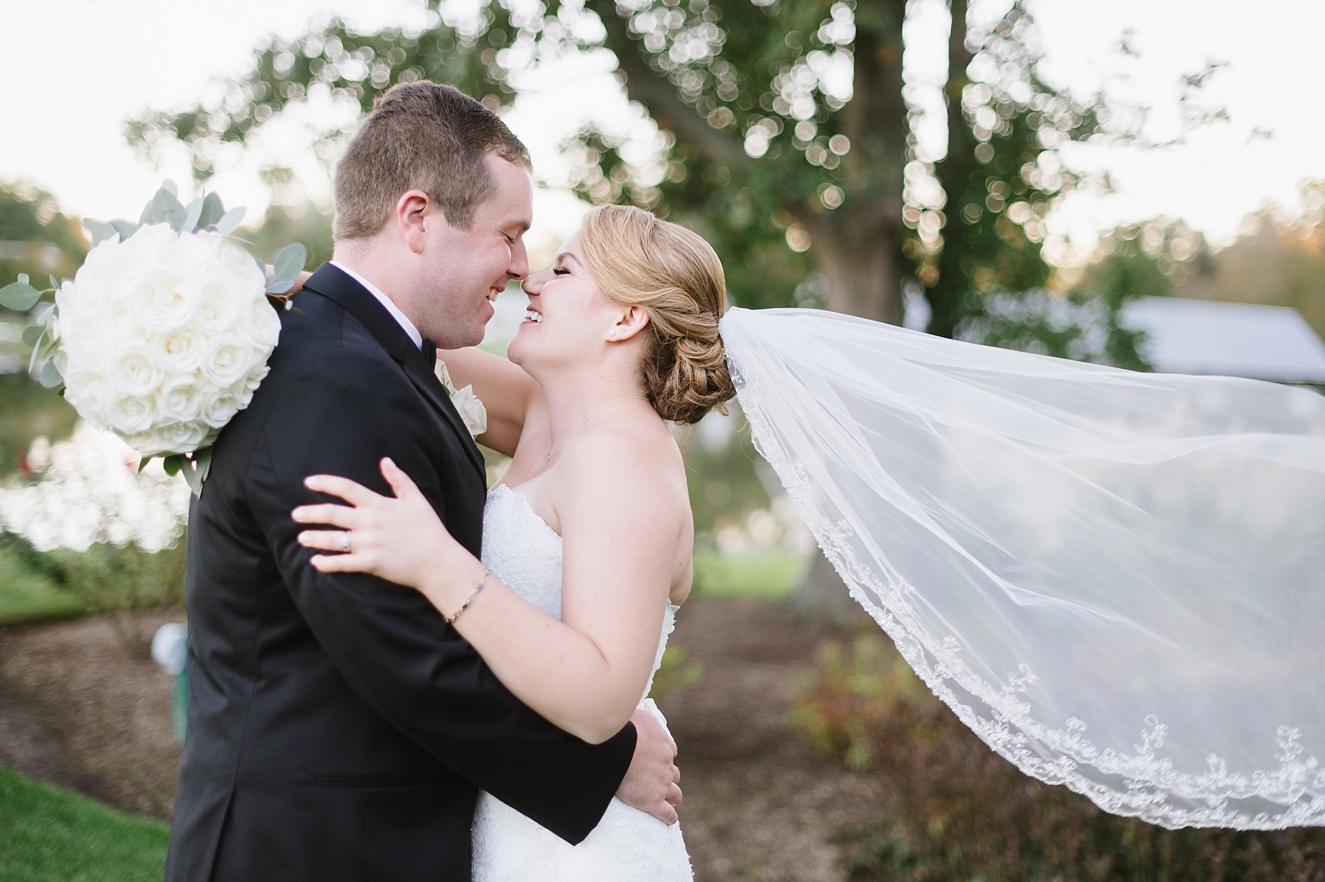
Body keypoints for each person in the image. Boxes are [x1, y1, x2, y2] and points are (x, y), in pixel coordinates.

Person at [164, 82, 683, 882]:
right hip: (311, 849)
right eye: (509, 236)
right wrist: (602, 764)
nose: (523, 271)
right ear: (415, 219)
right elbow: (401, 654)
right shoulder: (334, 378)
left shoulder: (379, 359)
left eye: (551, 259)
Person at [293, 202, 731, 880]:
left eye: (561, 269)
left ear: (624, 319)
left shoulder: (626, 463)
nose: (531, 281)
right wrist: (263, 290)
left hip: (579, 853)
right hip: (510, 817)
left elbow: (597, 697)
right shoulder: (541, 409)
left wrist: (435, 562)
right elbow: (383, 338)